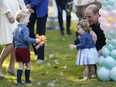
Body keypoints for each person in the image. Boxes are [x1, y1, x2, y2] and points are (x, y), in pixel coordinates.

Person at [13, 10, 41, 85]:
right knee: (28, 65)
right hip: (24, 49)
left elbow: (13, 39)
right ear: (22, 19)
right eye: (28, 19)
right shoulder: (25, 28)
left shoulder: (16, 28)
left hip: (17, 49)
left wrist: (15, 47)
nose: (29, 21)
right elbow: (26, 39)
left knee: (20, 65)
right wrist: (36, 40)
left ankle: (18, 82)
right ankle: (27, 80)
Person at [0, 0, 26, 78]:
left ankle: (11, 67)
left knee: (16, 40)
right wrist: (8, 12)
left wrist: (25, 12)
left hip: (16, 10)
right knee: (10, 42)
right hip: (6, 11)